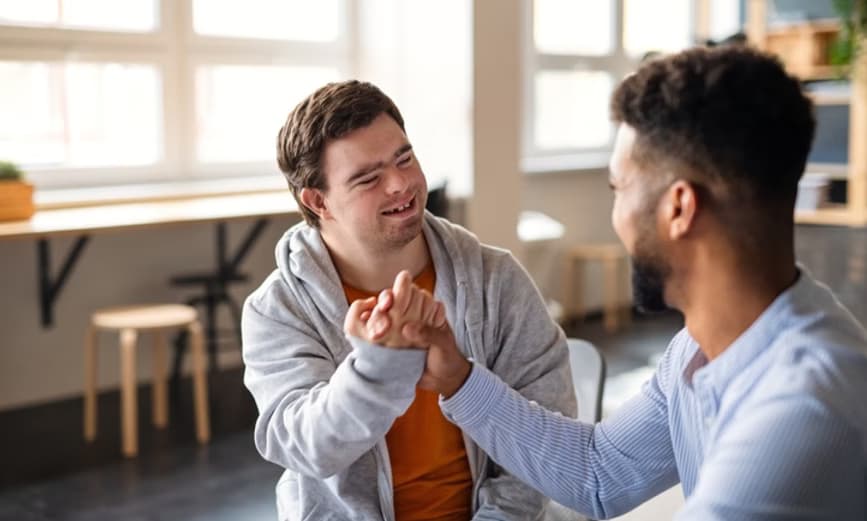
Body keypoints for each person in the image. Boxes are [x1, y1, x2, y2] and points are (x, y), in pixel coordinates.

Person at [357, 46, 867, 519]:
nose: (615, 214)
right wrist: (458, 377)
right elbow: (599, 473)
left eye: (618, 188)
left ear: (679, 208)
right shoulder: (699, 349)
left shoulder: (804, 407)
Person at [241, 80, 576, 521]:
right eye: (369, 178)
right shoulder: (278, 308)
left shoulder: (496, 279)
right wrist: (377, 368)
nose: (401, 184)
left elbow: (545, 437)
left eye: (405, 158)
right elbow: (307, 448)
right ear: (319, 201)